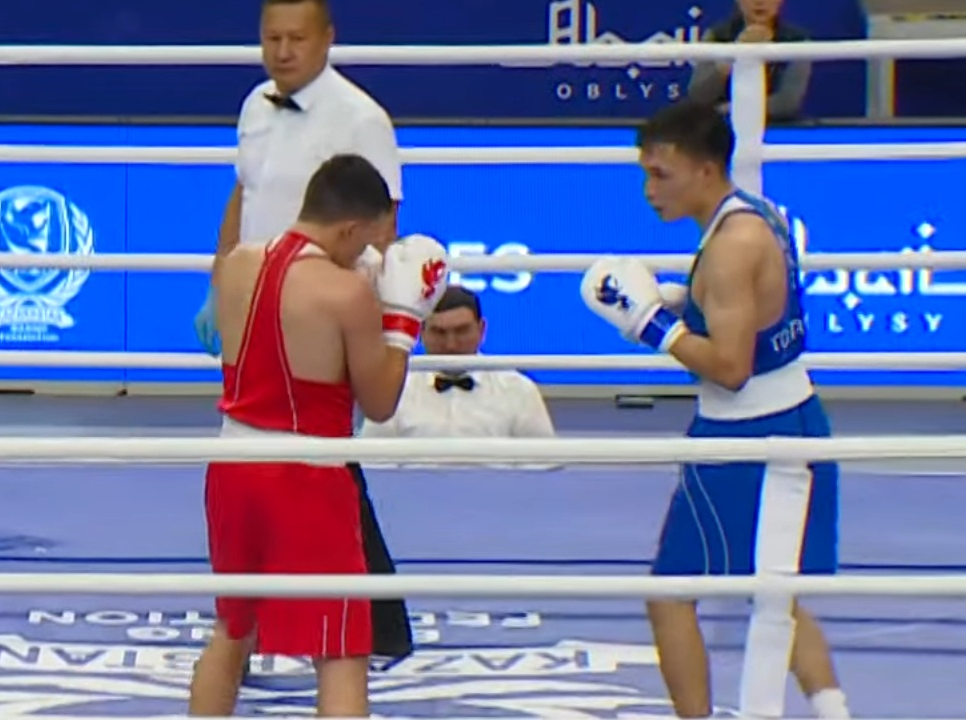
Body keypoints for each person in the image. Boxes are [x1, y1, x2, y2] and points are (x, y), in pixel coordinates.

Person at [577, 100, 848, 719]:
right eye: (644, 173)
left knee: (671, 595)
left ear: (704, 170)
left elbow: (730, 367)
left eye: (660, 175)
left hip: (746, 434)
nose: (649, 190)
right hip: (790, 417)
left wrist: (652, 324)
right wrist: (683, 304)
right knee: (774, 593)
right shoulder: (758, 215)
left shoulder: (730, 248)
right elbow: (755, 315)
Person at [188, 153, 449, 718]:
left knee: (232, 631)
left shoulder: (238, 263)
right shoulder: (344, 294)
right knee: (341, 650)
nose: (369, 256)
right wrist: (402, 323)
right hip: (307, 478)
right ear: (350, 228)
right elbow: (379, 403)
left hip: (231, 467)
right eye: (369, 242)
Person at [195, 0, 402, 356]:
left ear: (327, 38)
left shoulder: (362, 119)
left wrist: (349, 311)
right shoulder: (255, 104)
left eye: (297, 39)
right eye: (273, 38)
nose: (283, 52)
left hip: (321, 316)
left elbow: (382, 227)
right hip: (250, 301)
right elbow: (246, 191)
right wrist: (219, 284)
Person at [360, 285, 555, 441]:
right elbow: (373, 465)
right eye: (439, 332)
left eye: (461, 331)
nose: (451, 344)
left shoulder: (519, 391)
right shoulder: (393, 390)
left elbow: (542, 468)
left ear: (481, 330)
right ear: (421, 333)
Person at [686, 0, 812, 122]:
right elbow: (698, 95)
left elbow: (788, 102)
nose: (759, 2)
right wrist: (730, 61)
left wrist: (730, 109)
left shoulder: (796, 41)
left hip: (776, 127)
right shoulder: (718, 37)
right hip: (721, 126)